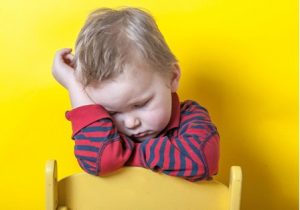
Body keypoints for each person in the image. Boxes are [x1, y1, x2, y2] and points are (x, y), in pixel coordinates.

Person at [52, 7, 219, 182]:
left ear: (172, 77)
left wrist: (122, 154)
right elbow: (100, 160)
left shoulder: (191, 117)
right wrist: (74, 85)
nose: (131, 123)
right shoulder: (105, 131)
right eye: (112, 112)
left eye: (141, 104)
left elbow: (201, 159)